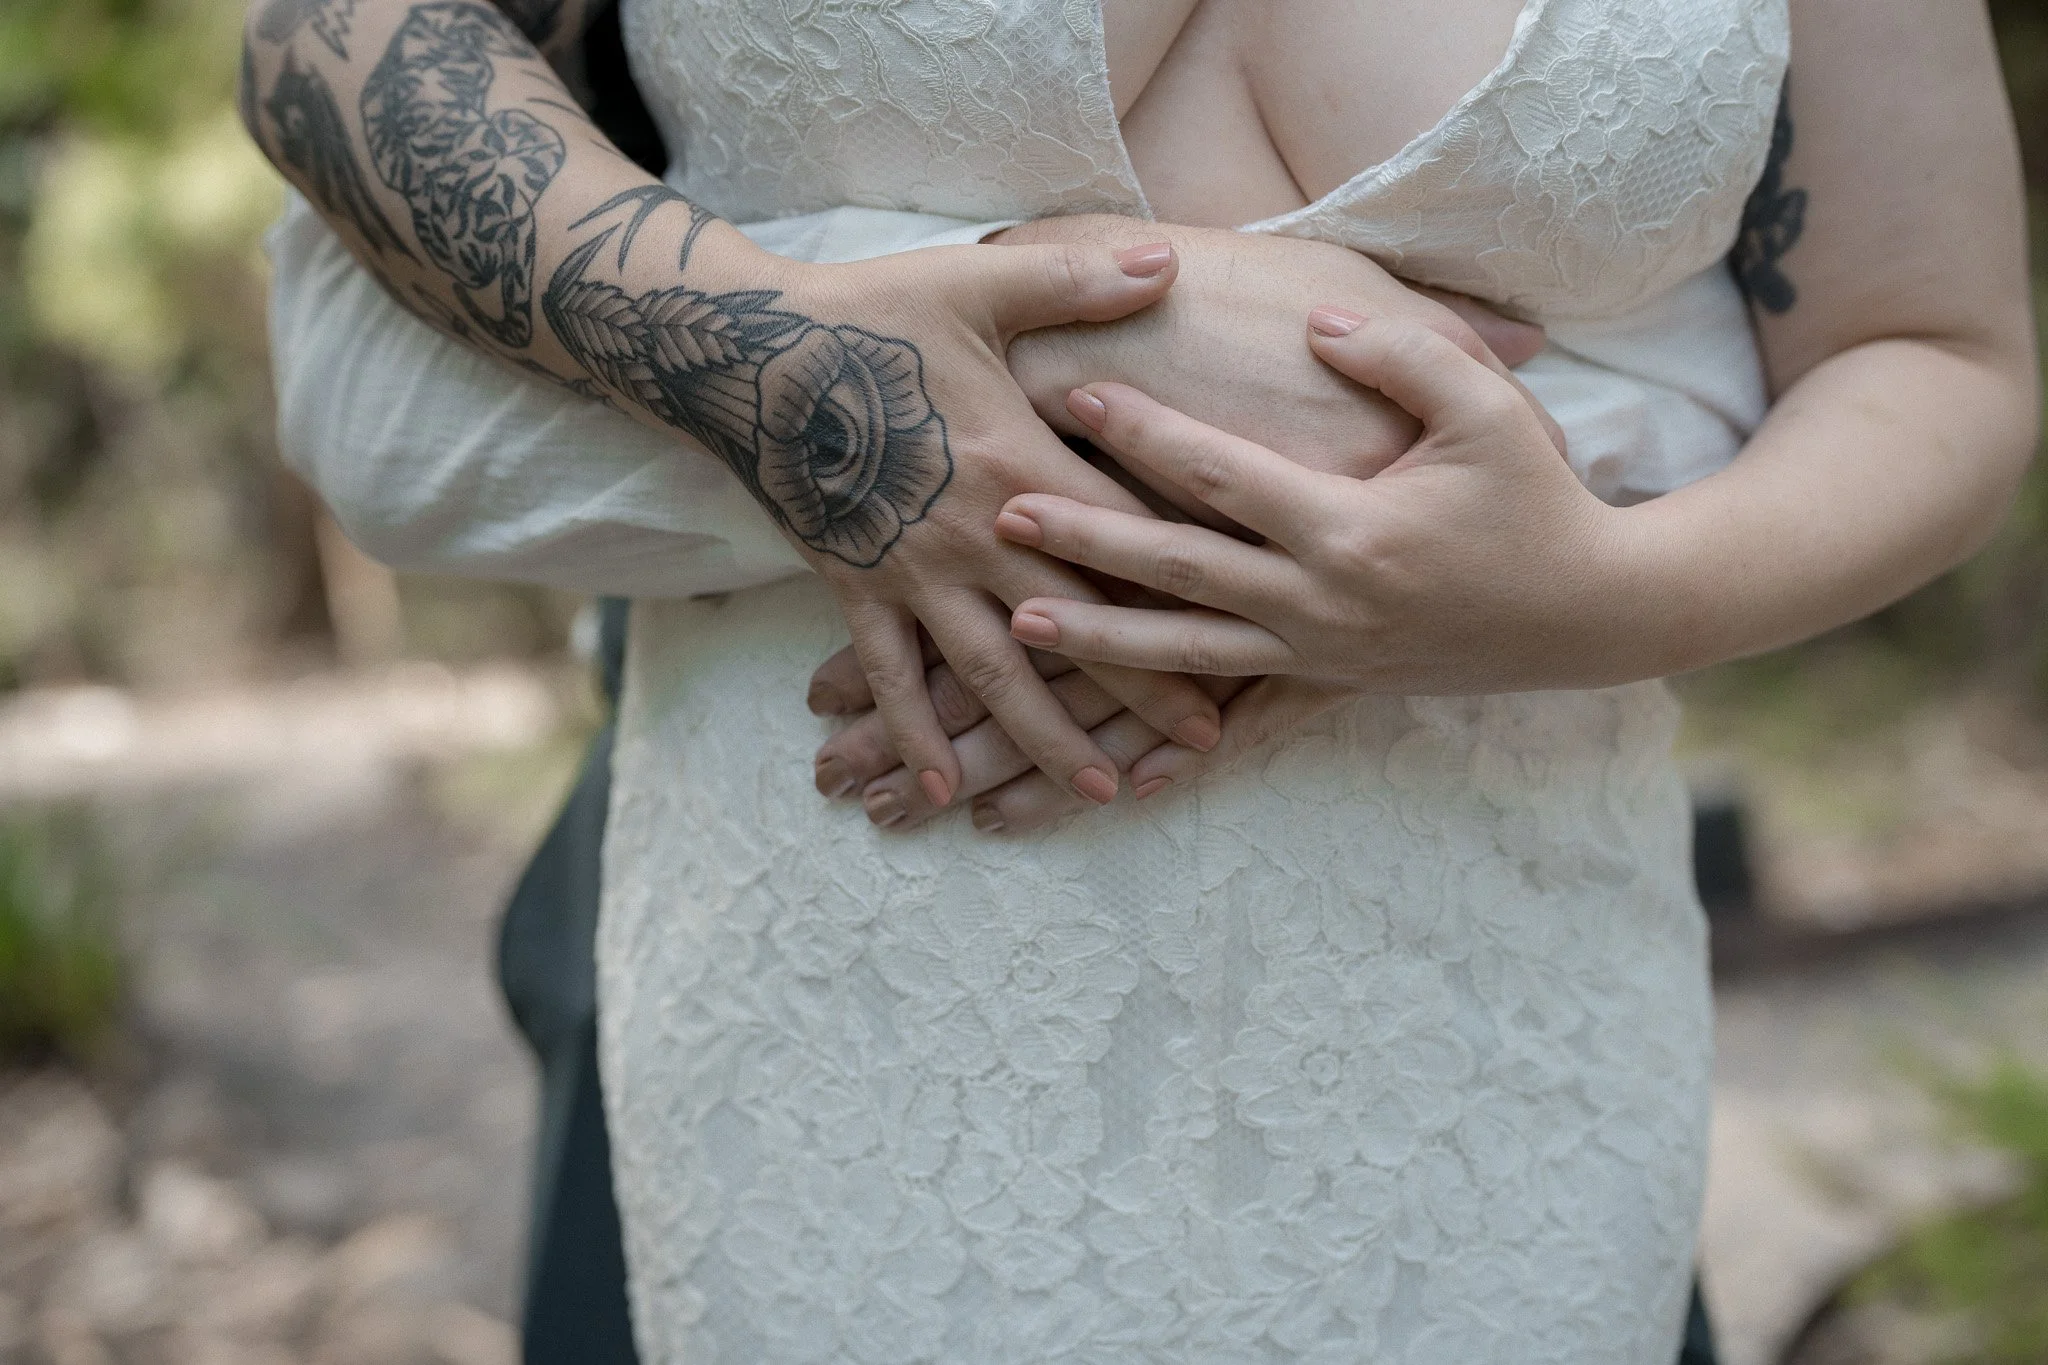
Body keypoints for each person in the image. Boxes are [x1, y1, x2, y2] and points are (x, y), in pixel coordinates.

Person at [241, 0, 2037, 1360]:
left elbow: (1930, 347)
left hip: (1492, 1041)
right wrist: (781, 361)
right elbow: (331, 42)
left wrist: (1575, 592)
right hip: (792, 994)